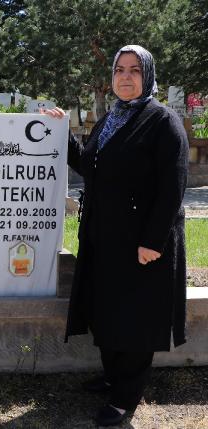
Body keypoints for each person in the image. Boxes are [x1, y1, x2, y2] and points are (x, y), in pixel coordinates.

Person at [43, 45, 188, 426]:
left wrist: (153, 242)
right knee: (108, 312)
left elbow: (172, 189)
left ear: (148, 76)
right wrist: (63, 133)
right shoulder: (111, 118)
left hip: (142, 243)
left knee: (136, 319)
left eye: (134, 71)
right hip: (105, 237)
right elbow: (90, 165)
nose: (125, 77)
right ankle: (112, 376)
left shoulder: (162, 121)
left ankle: (126, 397)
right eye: (119, 70)